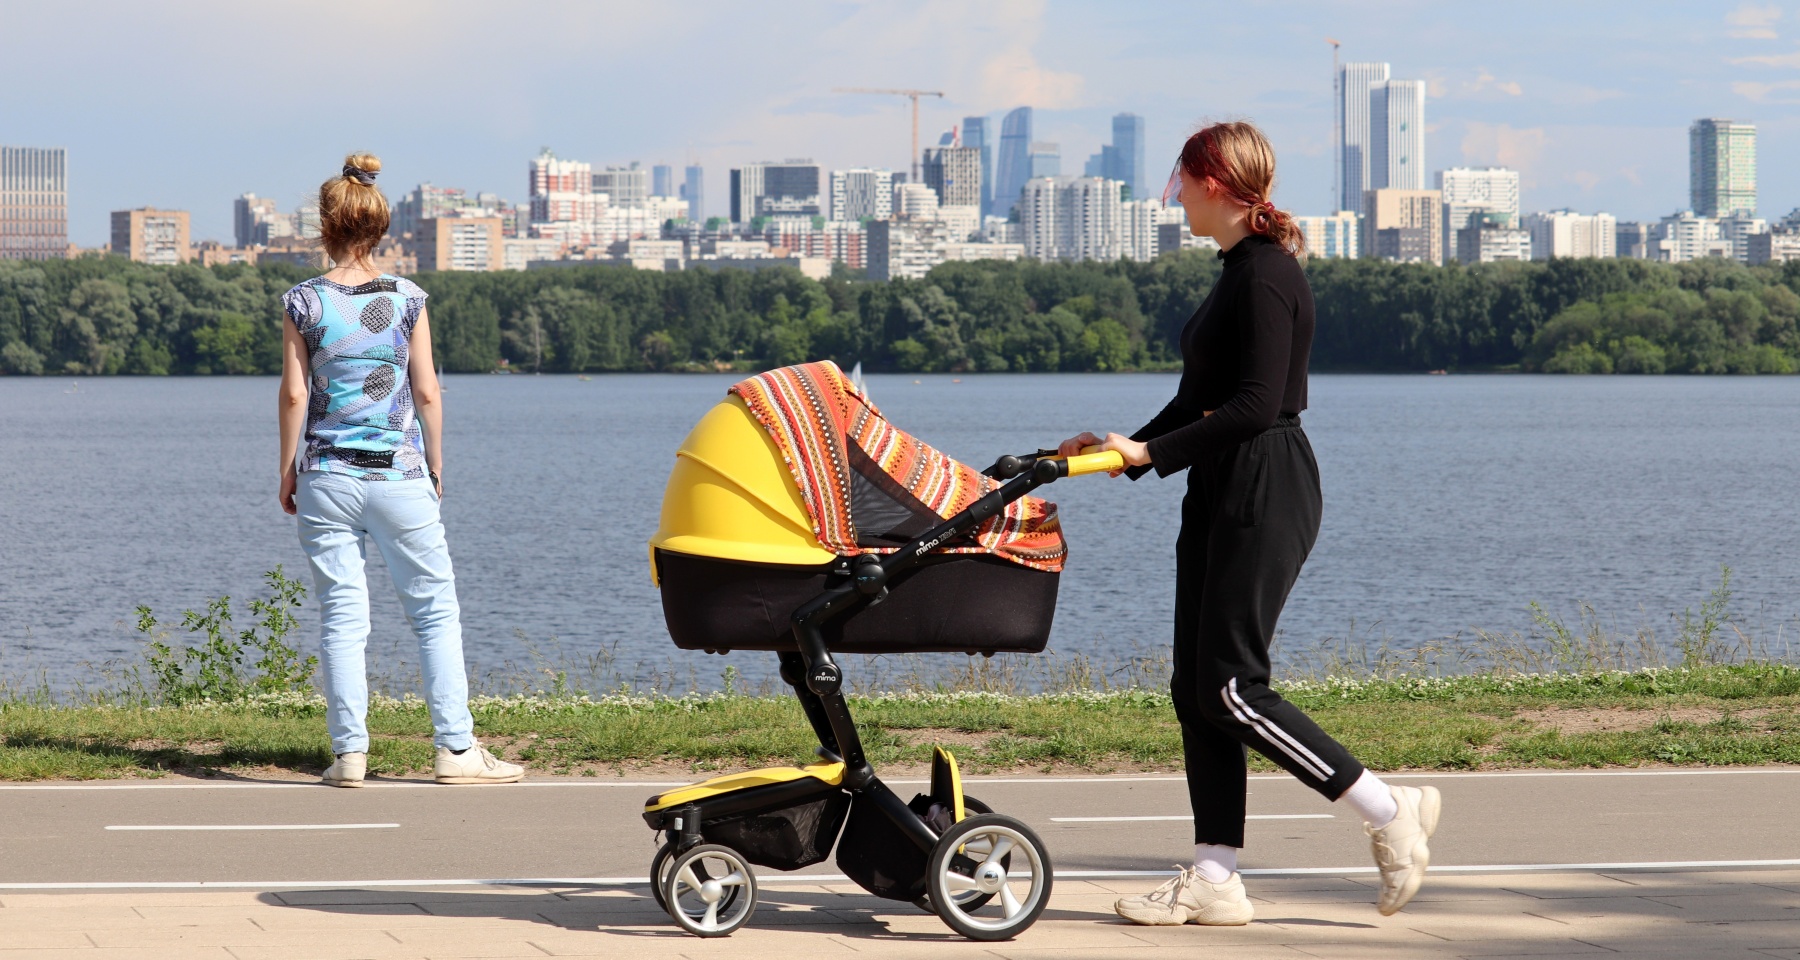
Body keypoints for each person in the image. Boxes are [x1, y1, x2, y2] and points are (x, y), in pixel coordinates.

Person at [1059, 121, 1440, 924]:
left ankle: (1387, 809)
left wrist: (1153, 453)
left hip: (1265, 483)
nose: (1175, 194)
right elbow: (1201, 399)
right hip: (1224, 480)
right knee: (1196, 690)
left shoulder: (1266, 275)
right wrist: (1116, 449)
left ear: (1217, 183)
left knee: (1232, 688)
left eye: (1183, 179)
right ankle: (1216, 877)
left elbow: (1256, 405)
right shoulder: (1237, 270)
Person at [276, 153, 523, 788]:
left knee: (341, 615)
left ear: (325, 228)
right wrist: (435, 465)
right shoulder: (408, 298)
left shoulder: (303, 301)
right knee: (435, 612)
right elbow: (428, 392)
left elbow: (296, 396)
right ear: (380, 229)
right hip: (399, 474)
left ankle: (349, 755)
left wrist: (288, 469)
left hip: (326, 474)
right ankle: (455, 751)